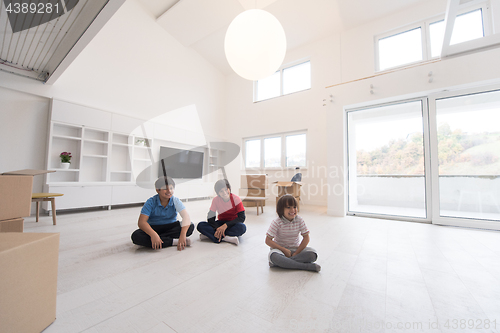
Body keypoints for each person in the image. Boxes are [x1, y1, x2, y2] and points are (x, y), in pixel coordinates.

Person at [131, 176, 194, 250]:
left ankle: (161, 239)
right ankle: (173, 241)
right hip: (154, 227)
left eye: (171, 188)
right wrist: (153, 234)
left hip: (171, 226)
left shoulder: (175, 200)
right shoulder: (150, 202)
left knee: (190, 226)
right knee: (136, 236)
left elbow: (186, 217)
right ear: (157, 190)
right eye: (165, 188)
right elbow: (141, 222)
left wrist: (183, 235)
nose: (169, 191)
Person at [265, 194, 320, 272]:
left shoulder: (299, 220)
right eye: (288, 207)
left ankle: (283, 263)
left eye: (294, 207)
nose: (293, 210)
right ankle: (305, 266)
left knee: (313, 254)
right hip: (280, 251)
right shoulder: (276, 222)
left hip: (296, 250)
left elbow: (306, 238)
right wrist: (284, 250)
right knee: (274, 257)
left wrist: (296, 253)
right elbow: (268, 240)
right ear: (281, 209)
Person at [197, 179, 246, 245]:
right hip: (220, 223)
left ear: (229, 189)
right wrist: (218, 228)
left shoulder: (236, 199)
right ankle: (226, 238)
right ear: (218, 193)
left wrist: (225, 226)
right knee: (200, 225)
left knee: (242, 227)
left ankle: (212, 236)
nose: (225, 193)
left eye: (226, 189)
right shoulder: (216, 200)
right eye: (221, 191)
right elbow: (210, 218)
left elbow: (241, 218)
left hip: (232, 224)